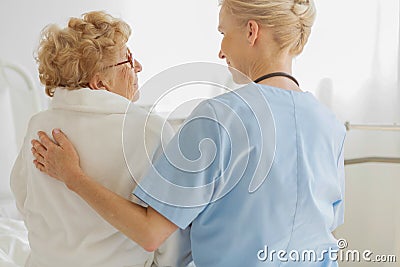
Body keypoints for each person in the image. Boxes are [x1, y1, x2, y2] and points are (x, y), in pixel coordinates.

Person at [31, 1, 346, 266]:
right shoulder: (329, 123)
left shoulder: (218, 117)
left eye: (223, 33)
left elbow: (151, 234)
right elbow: (328, 222)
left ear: (251, 32)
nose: (221, 51)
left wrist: (74, 177)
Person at [11, 11, 191, 267]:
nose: (138, 66)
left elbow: (23, 201)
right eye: (127, 59)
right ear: (99, 82)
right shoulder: (149, 130)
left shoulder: (39, 126)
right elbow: (170, 241)